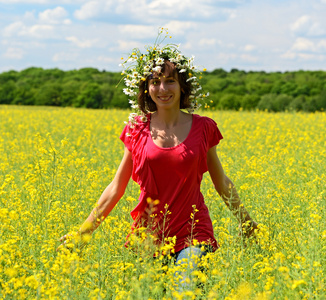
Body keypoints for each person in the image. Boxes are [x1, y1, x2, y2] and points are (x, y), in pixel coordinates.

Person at [58, 28, 258, 291]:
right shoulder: (136, 129)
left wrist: (246, 222)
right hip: (148, 238)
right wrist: (82, 234)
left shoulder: (204, 128)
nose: (162, 88)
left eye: (170, 81)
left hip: (193, 234)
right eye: (155, 82)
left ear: (182, 86)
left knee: (184, 290)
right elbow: (116, 188)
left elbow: (221, 182)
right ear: (146, 88)